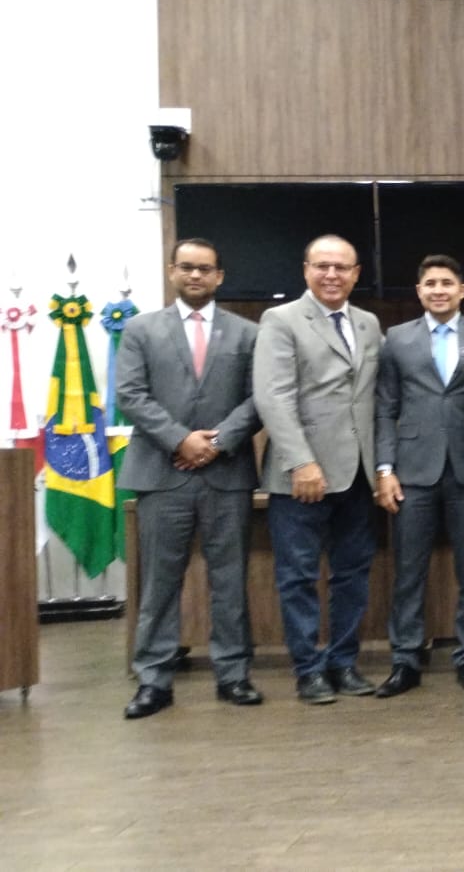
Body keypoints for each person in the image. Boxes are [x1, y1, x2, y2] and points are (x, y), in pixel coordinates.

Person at [117, 238, 262, 718]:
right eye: (187, 267)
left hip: (227, 473)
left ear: (219, 276)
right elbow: (130, 395)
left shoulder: (248, 333)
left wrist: (216, 443)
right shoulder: (140, 329)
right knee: (160, 582)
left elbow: (260, 398)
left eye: (205, 269)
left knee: (230, 579)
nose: (195, 276)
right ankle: (154, 680)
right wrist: (181, 440)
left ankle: (234, 674)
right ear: (172, 272)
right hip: (162, 474)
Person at [254, 234, 382, 705]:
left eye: (341, 267)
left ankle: (343, 663)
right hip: (301, 476)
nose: (332, 274)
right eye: (322, 266)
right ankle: (308, 670)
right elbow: (273, 396)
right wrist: (301, 461)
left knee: (353, 574)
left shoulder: (368, 323)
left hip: (358, 475)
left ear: (356, 274)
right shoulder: (281, 319)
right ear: (306, 269)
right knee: (298, 577)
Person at [371, 254, 464, 698]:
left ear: (462, 290)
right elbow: (385, 408)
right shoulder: (396, 339)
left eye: (447, 283)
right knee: (408, 571)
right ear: (419, 291)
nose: (438, 290)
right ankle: (405, 659)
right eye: (430, 283)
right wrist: (384, 468)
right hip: (412, 470)